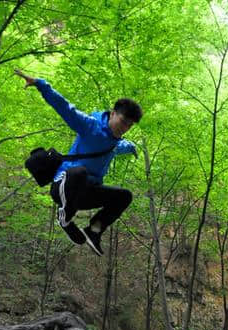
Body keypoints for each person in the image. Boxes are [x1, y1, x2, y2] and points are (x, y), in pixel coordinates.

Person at [15, 69, 142, 256]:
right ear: (113, 113)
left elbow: (122, 145)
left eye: (129, 126)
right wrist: (40, 84)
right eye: (123, 122)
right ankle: (64, 217)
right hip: (63, 185)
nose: (124, 128)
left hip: (85, 194)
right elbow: (64, 107)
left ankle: (93, 231)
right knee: (79, 172)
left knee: (125, 196)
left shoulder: (116, 143)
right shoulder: (90, 126)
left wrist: (132, 147)